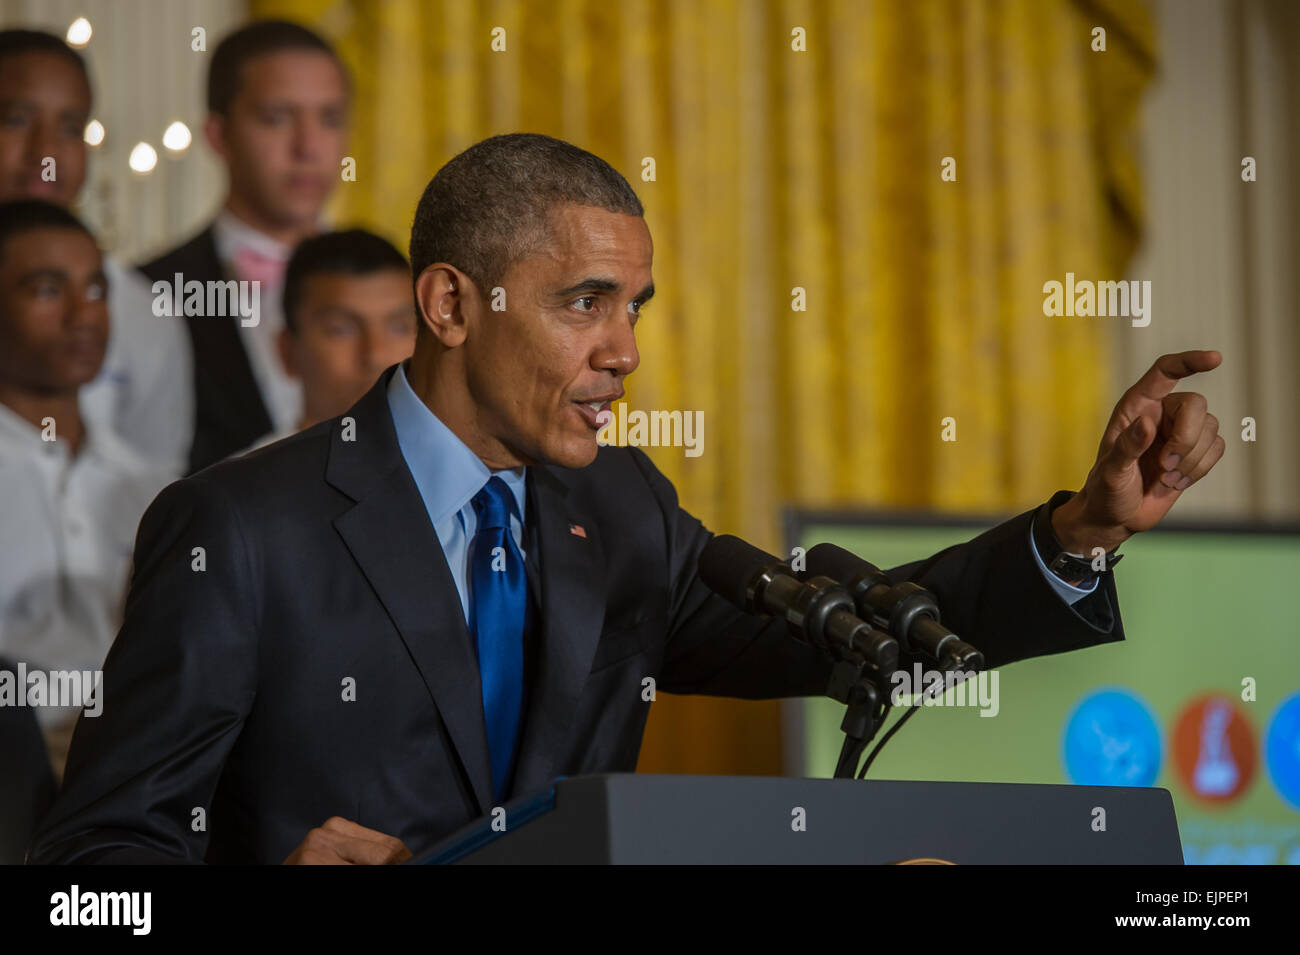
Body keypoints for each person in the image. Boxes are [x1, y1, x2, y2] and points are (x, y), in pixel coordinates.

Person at [29, 133, 1225, 865]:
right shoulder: (239, 530)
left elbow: (829, 626)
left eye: (635, 308)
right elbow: (94, 871)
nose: (625, 352)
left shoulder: (623, 507)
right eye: (583, 303)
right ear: (450, 306)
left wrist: (1080, 532)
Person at [0, 200, 168, 782]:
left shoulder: (153, 489)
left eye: (96, 290)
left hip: (143, 765)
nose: (83, 315)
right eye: (47, 289)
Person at [139, 20, 350, 473]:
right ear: (219, 135)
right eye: (277, 117)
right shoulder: (147, 290)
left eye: (330, 118)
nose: (309, 147)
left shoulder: (399, 284)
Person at [0, 29, 192, 476]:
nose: (45, 153)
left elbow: (156, 484)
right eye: (16, 120)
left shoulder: (142, 311)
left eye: (71, 127)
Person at [238, 228, 415, 451]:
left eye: (400, 328)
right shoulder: (243, 482)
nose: (375, 355)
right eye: (340, 330)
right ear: (287, 351)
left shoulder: (457, 470)